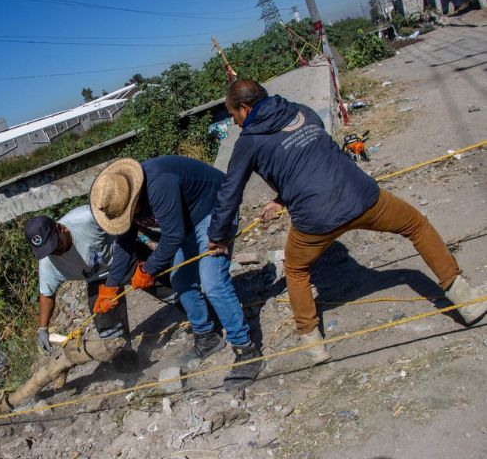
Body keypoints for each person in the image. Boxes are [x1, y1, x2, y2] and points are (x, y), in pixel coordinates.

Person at [207, 78, 486, 364]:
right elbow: (314, 155)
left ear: (244, 108)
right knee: (416, 225)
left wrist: (217, 236)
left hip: (315, 218)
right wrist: (282, 198)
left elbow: (230, 192)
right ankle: (464, 297)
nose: (236, 123)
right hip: (361, 195)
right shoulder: (301, 110)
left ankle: (312, 343)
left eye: (233, 115)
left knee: (297, 269)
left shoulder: (249, 141)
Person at [90, 155, 264, 391]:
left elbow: (172, 236)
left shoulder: (159, 183)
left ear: (134, 196)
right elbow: (124, 244)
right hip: (188, 221)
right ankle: (207, 338)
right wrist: (110, 287)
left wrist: (148, 269)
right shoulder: (122, 200)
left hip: (216, 207)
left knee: (212, 281)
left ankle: (247, 350)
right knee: (180, 279)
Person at [24, 205, 175, 373]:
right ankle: (128, 365)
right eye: (47, 250)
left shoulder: (87, 217)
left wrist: (151, 235)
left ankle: (200, 316)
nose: (55, 252)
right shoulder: (48, 263)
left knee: (171, 287)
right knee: (106, 322)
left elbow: (125, 220)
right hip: (98, 280)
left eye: (55, 245)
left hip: (125, 257)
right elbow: (47, 295)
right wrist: (43, 329)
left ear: (60, 228)